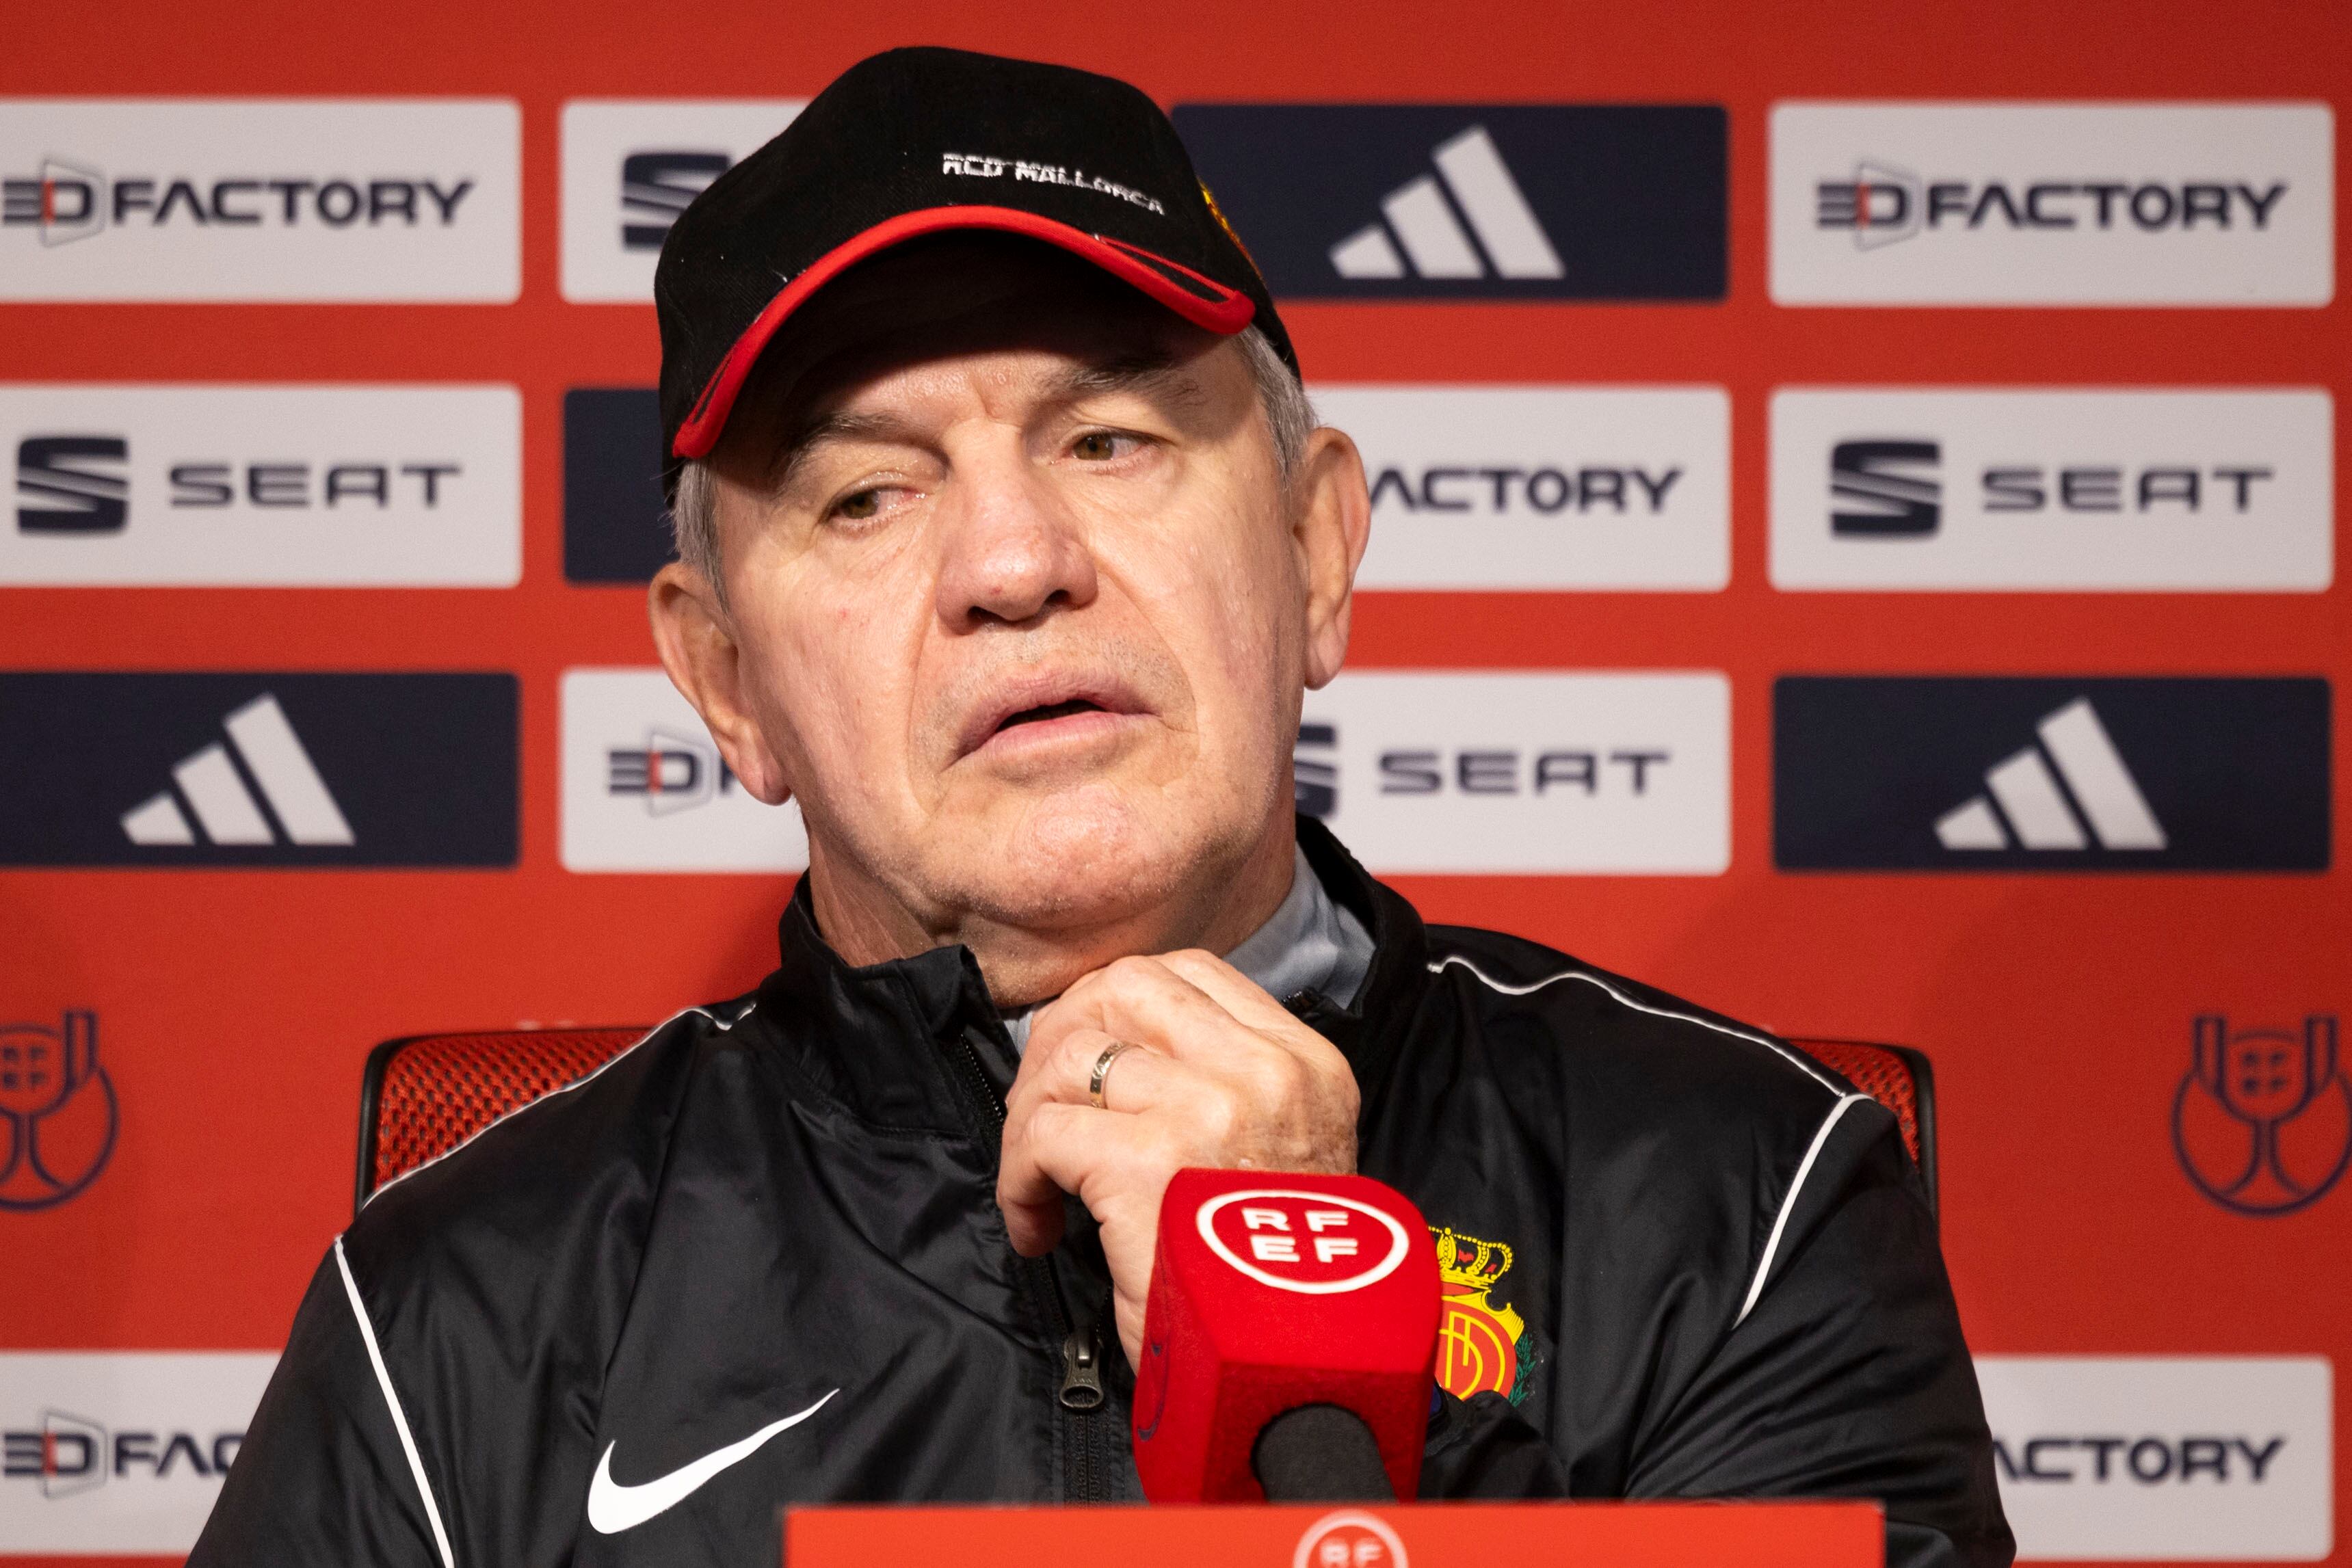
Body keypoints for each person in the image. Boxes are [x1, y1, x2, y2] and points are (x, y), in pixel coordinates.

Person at [192, 46, 2011, 1568]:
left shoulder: (1745, 1204)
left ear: (1313, 550)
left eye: (1109, 439)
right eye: (866, 495)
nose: (1012, 561)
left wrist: (1319, 1357)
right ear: (728, 679)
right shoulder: (461, 1313)